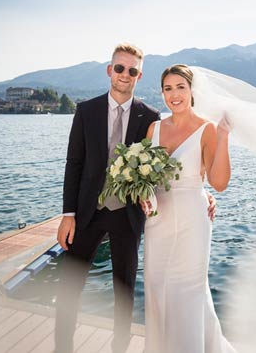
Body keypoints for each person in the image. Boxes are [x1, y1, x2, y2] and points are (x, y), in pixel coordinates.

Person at [55, 46, 216, 353]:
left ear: (139, 76)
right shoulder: (85, 111)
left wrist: (202, 192)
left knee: (125, 292)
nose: (124, 75)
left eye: (132, 71)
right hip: (87, 212)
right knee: (69, 286)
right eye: (119, 68)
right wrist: (68, 213)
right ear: (109, 70)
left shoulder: (150, 118)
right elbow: (73, 163)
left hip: (127, 215)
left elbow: (169, 166)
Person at [142, 64, 237, 353]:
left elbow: (218, 183)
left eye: (180, 87)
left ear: (192, 91)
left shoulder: (207, 129)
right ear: (162, 93)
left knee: (189, 291)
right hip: (157, 219)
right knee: (156, 286)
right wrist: (142, 196)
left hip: (193, 220)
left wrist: (223, 137)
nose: (174, 95)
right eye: (168, 88)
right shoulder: (154, 128)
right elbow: (143, 179)